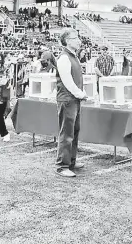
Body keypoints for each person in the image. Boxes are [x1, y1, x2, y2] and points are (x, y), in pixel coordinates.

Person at [55, 28, 87, 177]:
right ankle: (62, 165)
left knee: (74, 131)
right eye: (76, 38)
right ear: (67, 41)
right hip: (68, 100)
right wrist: (80, 93)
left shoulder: (73, 56)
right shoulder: (64, 58)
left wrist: (80, 95)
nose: (79, 40)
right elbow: (67, 81)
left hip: (74, 99)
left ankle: (71, 161)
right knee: (66, 133)